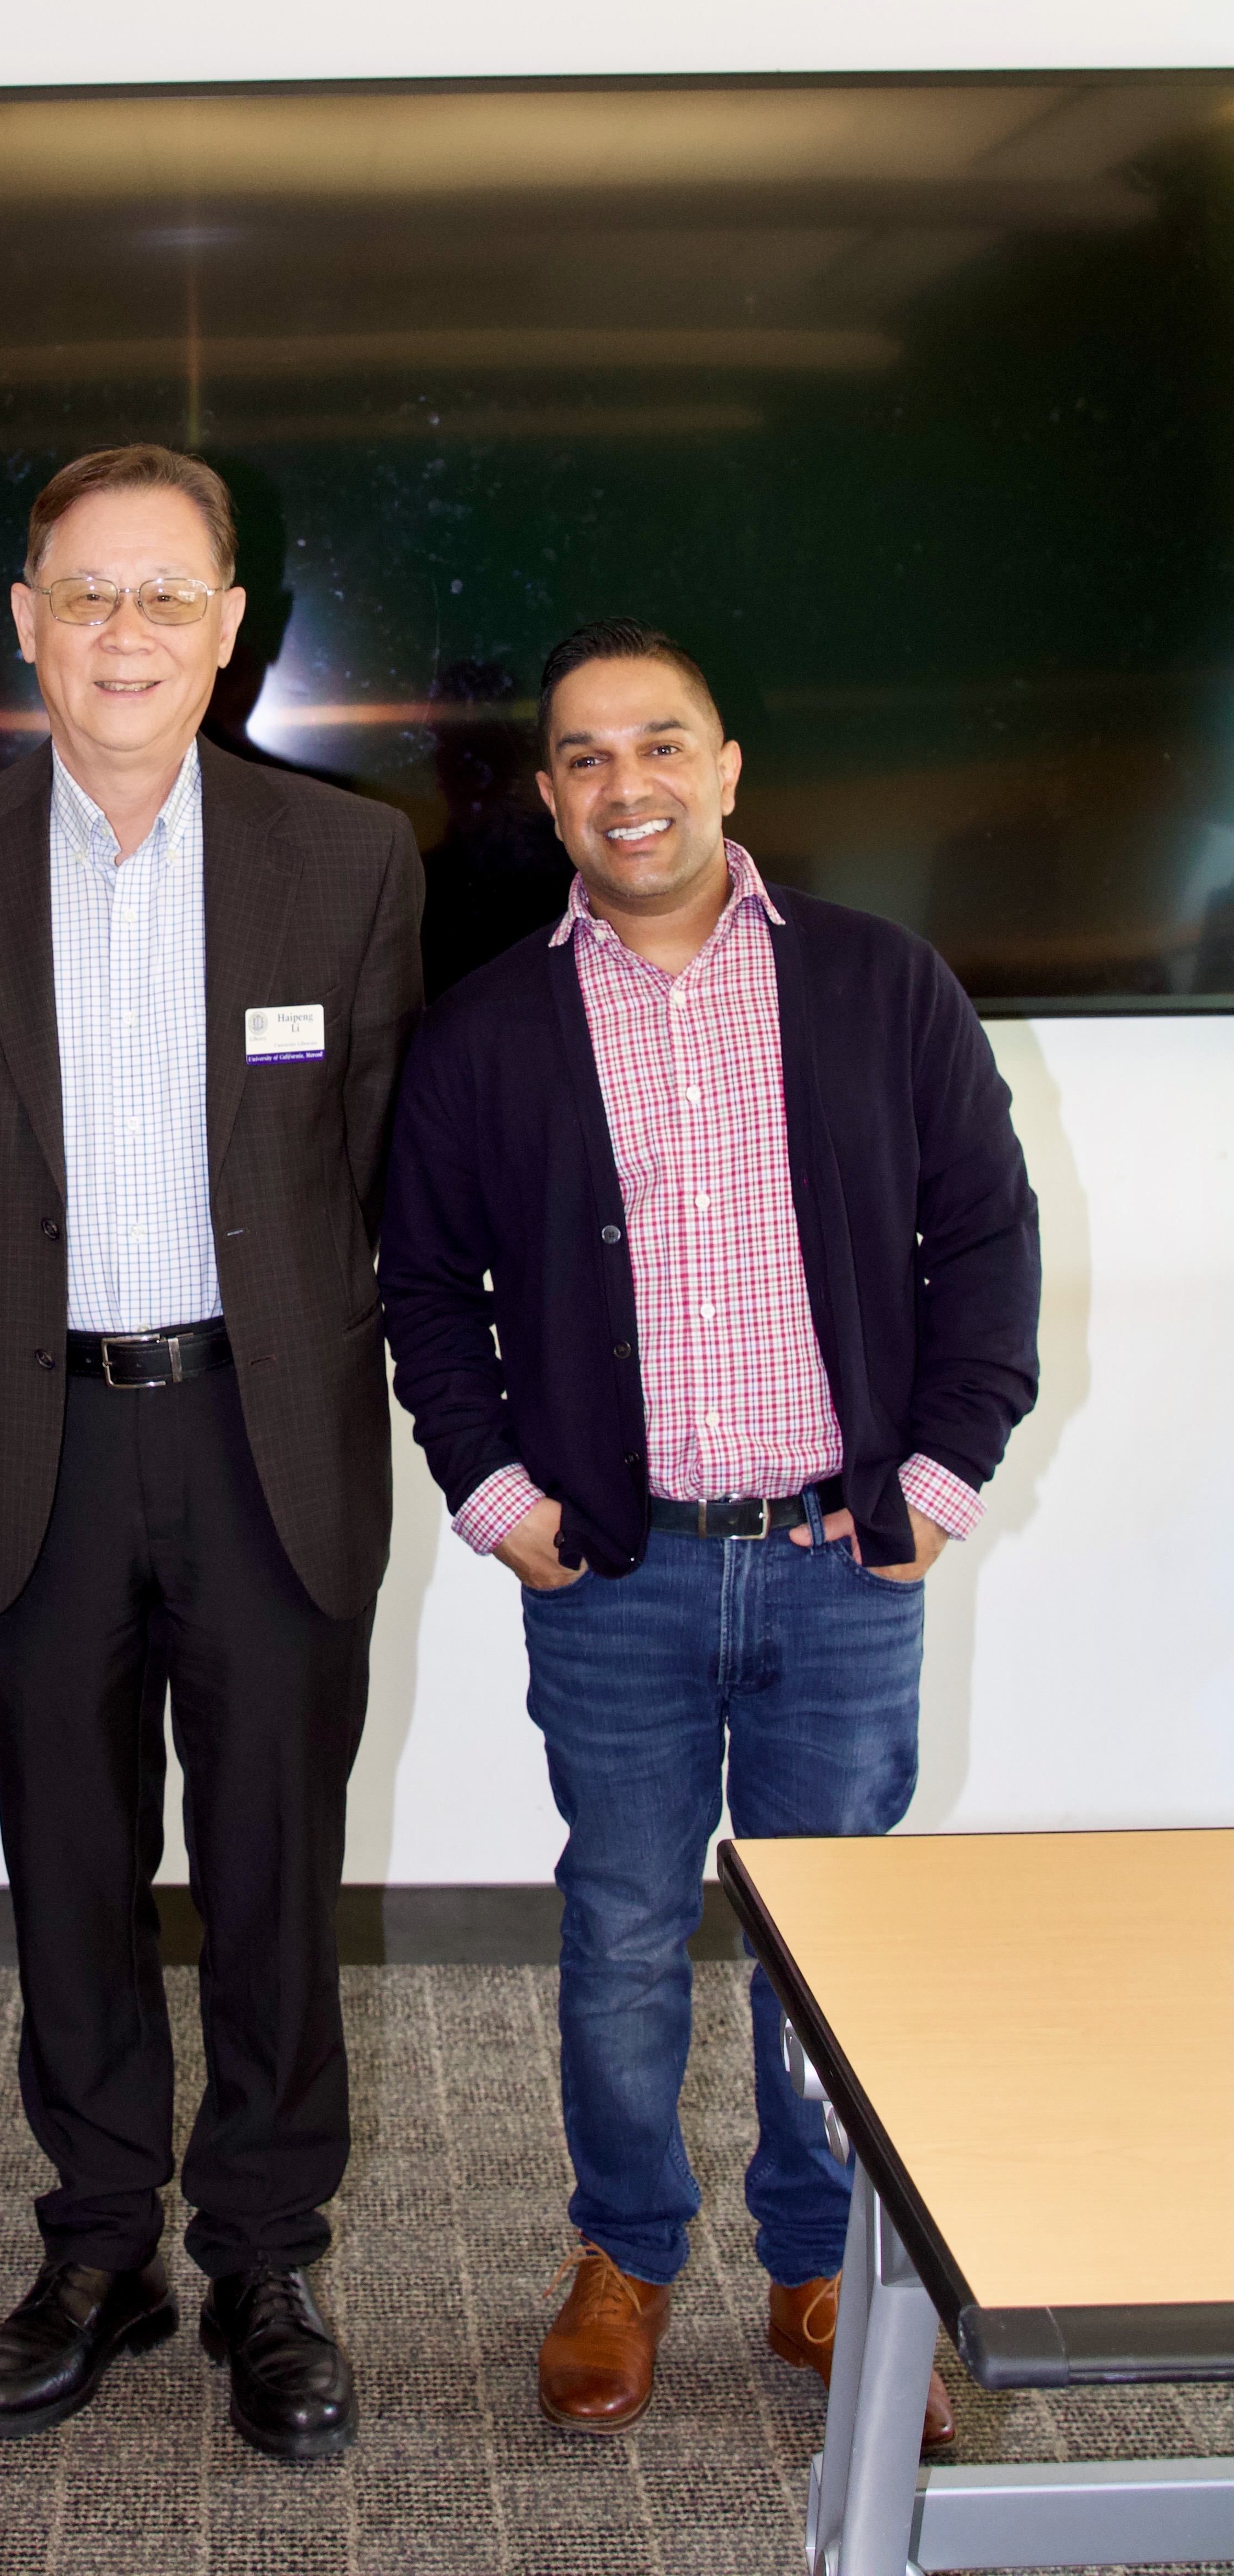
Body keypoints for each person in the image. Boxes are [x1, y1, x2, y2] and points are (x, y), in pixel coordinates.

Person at [378, 618, 1039, 2446]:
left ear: (729, 767)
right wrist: (500, 1498)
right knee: (622, 1917)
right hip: (622, 1570)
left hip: (842, 1562)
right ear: (550, 795)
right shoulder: (492, 1024)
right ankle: (626, 2253)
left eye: (661, 743)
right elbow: (425, 1286)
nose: (627, 783)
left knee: (831, 1935)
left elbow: (985, 1238)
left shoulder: (877, 983)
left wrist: (940, 1476)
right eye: (586, 755)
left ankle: (825, 2261)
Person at [0, 445, 423, 2462]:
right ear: (24, 619)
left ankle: (265, 2250)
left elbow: (360, 1168)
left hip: (270, 1441)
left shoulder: (349, 864)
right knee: (67, 1868)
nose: (124, 633)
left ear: (228, 628)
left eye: (165, 596)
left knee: (273, 1867)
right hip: (43, 1439)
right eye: (86, 593)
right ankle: (100, 2246)